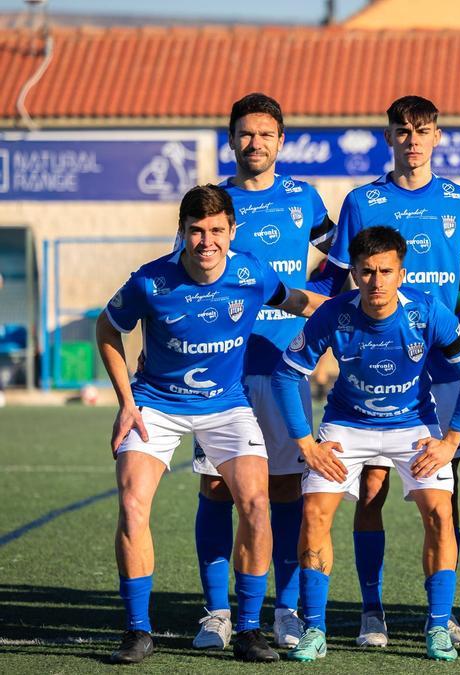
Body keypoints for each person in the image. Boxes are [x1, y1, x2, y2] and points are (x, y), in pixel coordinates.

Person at [97, 185, 326, 664]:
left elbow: (298, 301)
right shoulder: (150, 282)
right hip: (156, 403)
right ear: (181, 232)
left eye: (217, 231)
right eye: (197, 231)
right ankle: (137, 630)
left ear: (232, 232)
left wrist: (361, 306)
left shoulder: (250, 273)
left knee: (257, 504)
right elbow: (107, 326)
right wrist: (125, 401)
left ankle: (246, 629)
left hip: (225, 404)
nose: (207, 242)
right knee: (134, 504)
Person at [273, 226, 460, 662]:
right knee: (313, 513)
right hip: (347, 425)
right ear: (352, 272)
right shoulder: (333, 314)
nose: (376, 281)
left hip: (413, 425)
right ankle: (315, 629)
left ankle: (438, 626)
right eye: (366, 271)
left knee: (441, 514)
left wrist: (450, 441)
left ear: (402, 273)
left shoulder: (428, 313)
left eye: (385, 271)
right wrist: (307, 445)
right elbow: (286, 373)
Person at [313, 95, 460, 647]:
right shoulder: (363, 200)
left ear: (437, 136)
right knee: (370, 489)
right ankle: (371, 609)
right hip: (376, 348)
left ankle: (442, 614)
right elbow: (336, 275)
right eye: (403, 130)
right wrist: (300, 314)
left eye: (423, 129)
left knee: (442, 488)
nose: (413, 139)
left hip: (441, 348)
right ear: (389, 136)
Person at [190, 93, 335, 651]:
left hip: (284, 369)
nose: (255, 143)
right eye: (245, 135)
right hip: (218, 372)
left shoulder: (304, 199)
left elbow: (338, 262)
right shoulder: (212, 202)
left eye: (266, 134)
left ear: (281, 140)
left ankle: (285, 610)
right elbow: (184, 276)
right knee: (216, 487)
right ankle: (218, 612)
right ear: (232, 140)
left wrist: (318, 317)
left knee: (285, 487)